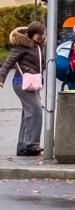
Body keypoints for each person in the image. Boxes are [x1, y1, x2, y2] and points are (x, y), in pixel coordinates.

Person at [1, 23, 46, 156]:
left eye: (42, 34)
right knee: (36, 110)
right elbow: (8, 62)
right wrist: (1, 78)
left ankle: (22, 147)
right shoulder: (22, 46)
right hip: (21, 83)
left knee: (28, 114)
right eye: (39, 34)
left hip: (33, 83)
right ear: (32, 33)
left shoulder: (38, 46)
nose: (41, 37)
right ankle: (32, 145)